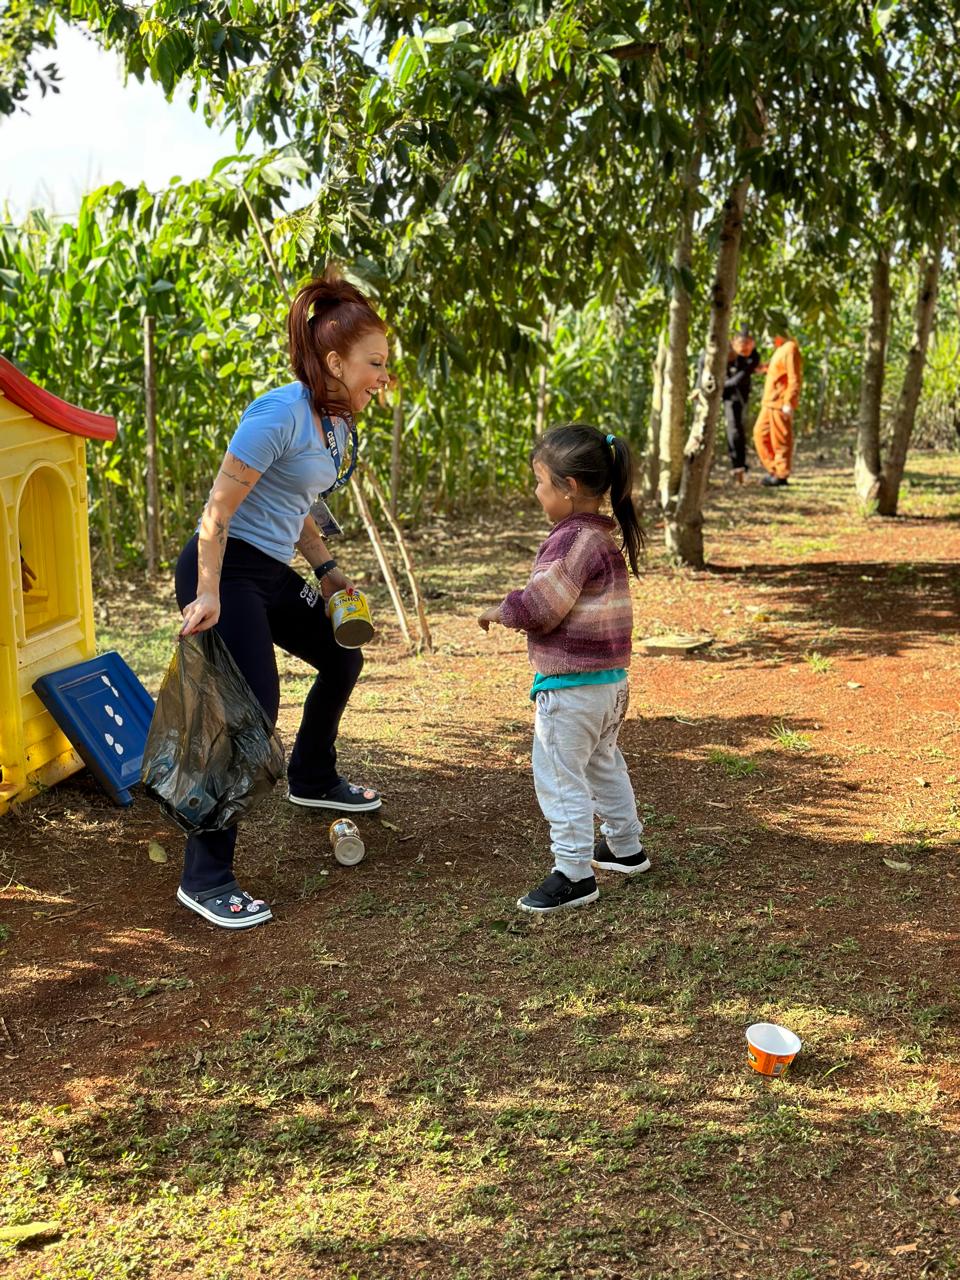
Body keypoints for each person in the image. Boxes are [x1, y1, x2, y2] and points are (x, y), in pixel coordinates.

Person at [173, 267, 390, 930]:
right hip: (226, 572)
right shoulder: (278, 414)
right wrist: (207, 592)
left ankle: (313, 777)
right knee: (252, 708)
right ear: (334, 362)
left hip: (269, 571)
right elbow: (217, 512)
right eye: (375, 363)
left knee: (342, 653)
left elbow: (298, 503)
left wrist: (326, 570)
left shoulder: (334, 423)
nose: (383, 377)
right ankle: (205, 878)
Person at [478, 424, 648, 915]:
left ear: (569, 487)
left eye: (540, 482)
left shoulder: (571, 540)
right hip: (609, 685)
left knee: (559, 775)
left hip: (572, 689)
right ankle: (624, 846)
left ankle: (574, 874)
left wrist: (501, 610)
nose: (536, 492)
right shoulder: (601, 539)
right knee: (602, 762)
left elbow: (541, 607)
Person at [753, 333, 803, 487]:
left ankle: (781, 475)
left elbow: (794, 377)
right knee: (759, 434)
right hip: (769, 401)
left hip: (780, 402)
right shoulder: (780, 349)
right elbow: (779, 371)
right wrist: (764, 368)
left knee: (781, 439)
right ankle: (774, 470)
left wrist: (789, 401)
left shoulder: (790, 348)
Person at [723, 327, 760, 482]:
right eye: (742, 346)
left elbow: (739, 378)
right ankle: (738, 464)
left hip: (736, 395)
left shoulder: (753, 357)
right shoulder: (723, 351)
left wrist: (719, 386)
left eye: (748, 347)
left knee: (735, 428)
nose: (745, 350)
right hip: (723, 390)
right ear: (733, 342)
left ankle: (739, 465)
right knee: (733, 429)